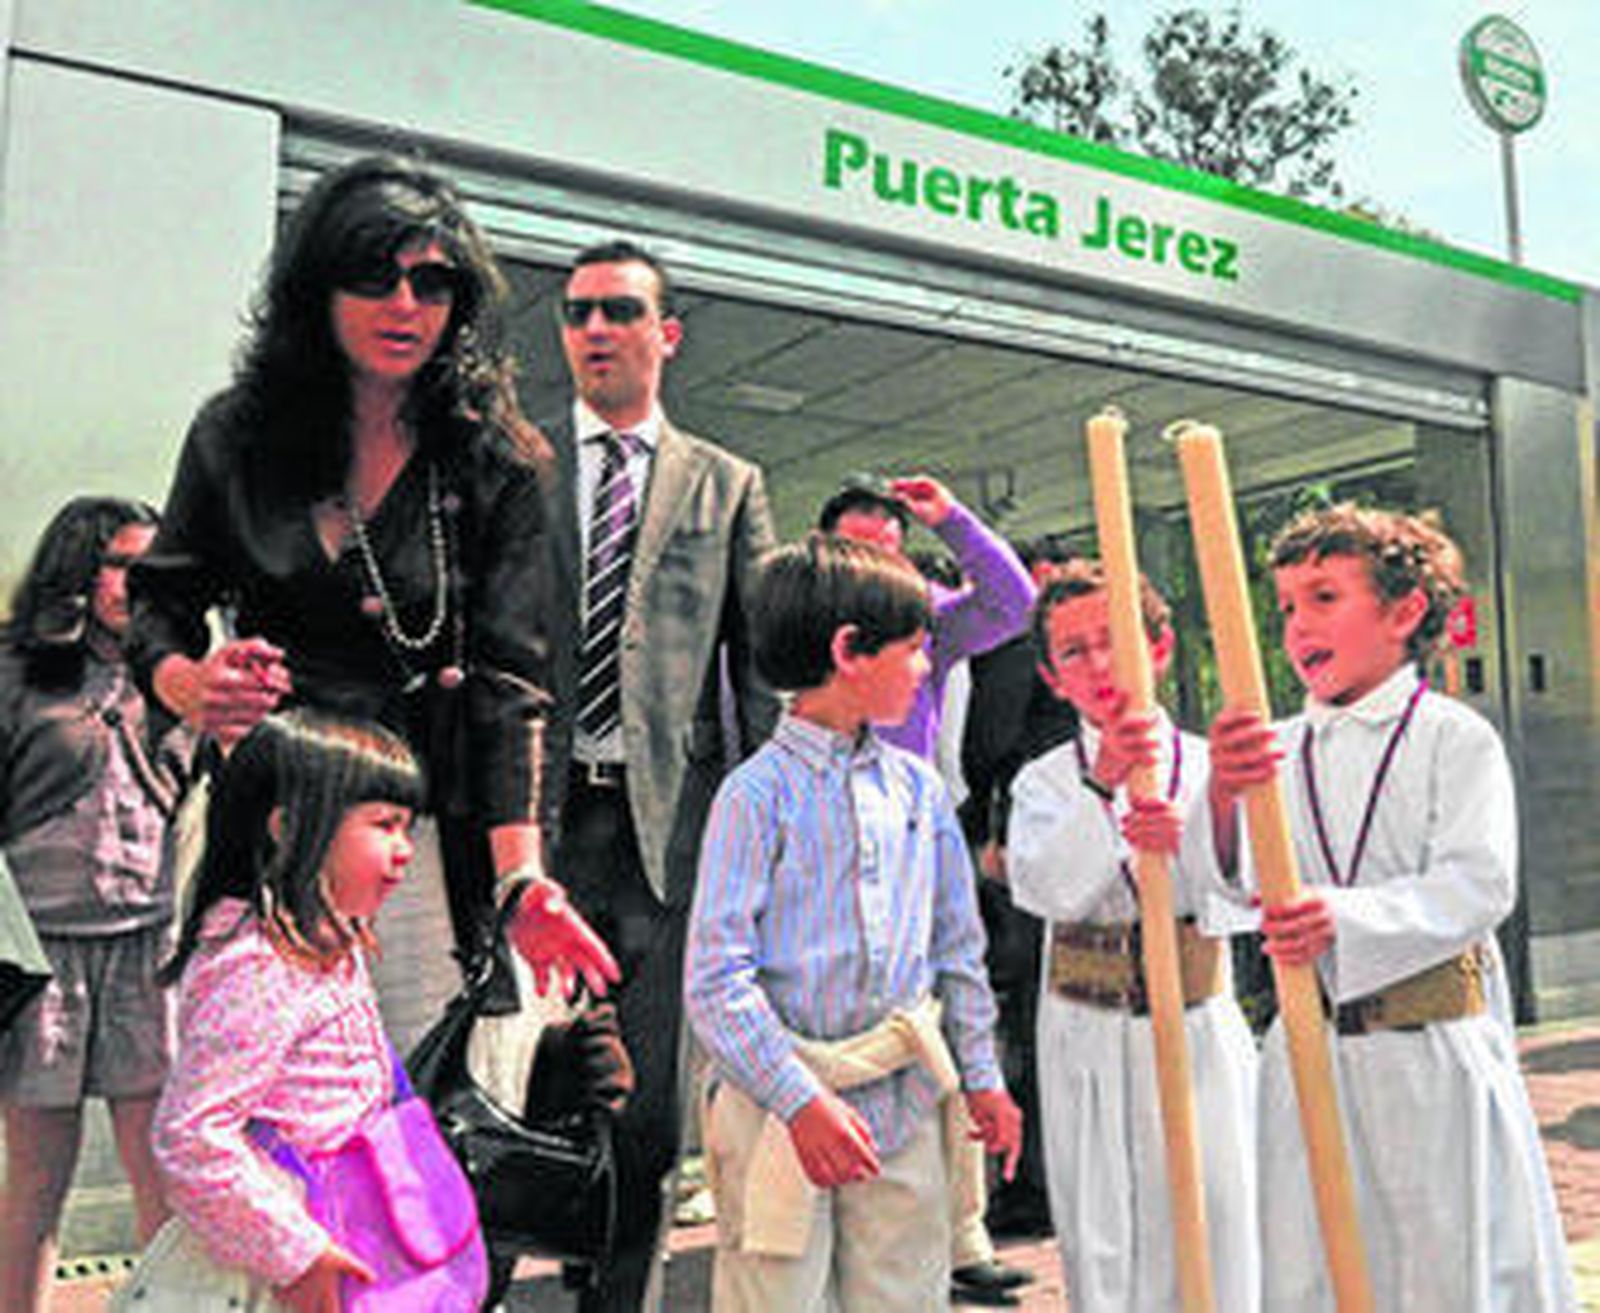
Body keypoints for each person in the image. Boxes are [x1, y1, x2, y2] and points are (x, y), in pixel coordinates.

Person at [126, 155, 616, 1044]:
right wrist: (189, 685)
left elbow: (515, 686)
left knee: (403, 1104)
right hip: (266, 814)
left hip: (414, 839)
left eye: (433, 283)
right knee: (242, 1095)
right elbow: (159, 600)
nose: (404, 305)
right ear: (316, 287)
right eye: (373, 275)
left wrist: (522, 879)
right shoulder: (235, 434)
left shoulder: (495, 459)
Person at [1207, 504, 1576, 1312]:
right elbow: (1230, 888)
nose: (1298, 624)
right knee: (1313, 1266)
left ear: (1405, 612)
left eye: (1325, 596)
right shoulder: (1277, 747)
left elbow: (1478, 884)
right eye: (1288, 606)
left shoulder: (1455, 737)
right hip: (1311, 1053)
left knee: (1443, 1263)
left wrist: (1341, 916)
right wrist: (1227, 794)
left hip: (1429, 1052)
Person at [685, 533, 1022, 1311]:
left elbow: (957, 950)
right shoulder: (754, 796)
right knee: (779, 1294)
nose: (924, 667)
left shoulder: (919, 791)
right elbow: (715, 977)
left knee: (905, 1292)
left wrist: (981, 1075)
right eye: (913, 648)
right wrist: (799, 1098)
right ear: (849, 651)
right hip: (777, 1111)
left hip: (900, 1103)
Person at [541, 239, 780, 1310]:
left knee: (644, 1106)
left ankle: (617, 1297)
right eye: (579, 311)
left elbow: (762, 666)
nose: (596, 329)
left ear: (664, 335)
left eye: (620, 311)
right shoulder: (520, 466)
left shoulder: (728, 484)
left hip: (665, 837)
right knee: (509, 1083)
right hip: (529, 828)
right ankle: (485, 1281)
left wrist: (771, 825)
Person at [150, 710, 483, 1311]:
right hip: (293, 1264)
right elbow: (191, 1135)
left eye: (408, 827)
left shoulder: (328, 941)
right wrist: (295, 1253)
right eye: (384, 824)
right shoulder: (256, 965)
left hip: (358, 1234)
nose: (405, 851)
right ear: (290, 826)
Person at [1007, 561, 1259, 1312]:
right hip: (1089, 1029)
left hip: (1194, 1020)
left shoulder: (1209, 763)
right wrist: (1104, 794)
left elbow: (1245, 888)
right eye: (1073, 652)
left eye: (1111, 640)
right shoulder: (1045, 779)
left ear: (1158, 645)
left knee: (1219, 1214)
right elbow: (1044, 886)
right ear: (1053, 678)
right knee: (1105, 1229)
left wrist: (1195, 831)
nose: (1097, 665)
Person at [820, 475, 1035, 1304]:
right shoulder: (792, 629)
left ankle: (961, 1236)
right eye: (857, 550)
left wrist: (951, 517)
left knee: (941, 1036)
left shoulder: (929, 626)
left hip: (915, 854)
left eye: (890, 548)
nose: (877, 565)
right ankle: (842, 1235)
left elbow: (1013, 603)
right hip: (823, 856)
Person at [0, 497, 192, 1313]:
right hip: (43, 952)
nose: (137, 583)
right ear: (78, 567)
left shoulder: (175, 668)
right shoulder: (15, 670)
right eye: (122, 563)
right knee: (41, 1169)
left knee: (159, 1163)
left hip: (146, 945)